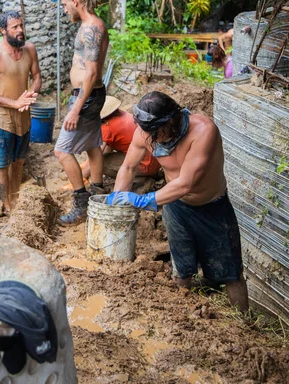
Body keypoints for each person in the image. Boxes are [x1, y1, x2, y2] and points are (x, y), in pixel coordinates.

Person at [107, 91, 249, 312]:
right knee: (181, 271)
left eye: (156, 132)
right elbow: (128, 167)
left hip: (212, 207)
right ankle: (182, 320)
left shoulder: (203, 131)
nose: (150, 137)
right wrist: (118, 198)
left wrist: (143, 200)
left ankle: (245, 325)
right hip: (176, 207)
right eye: (147, 132)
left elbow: (186, 183)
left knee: (230, 273)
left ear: (171, 120)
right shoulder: (146, 132)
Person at [54, 0, 108, 225]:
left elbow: (92, 73)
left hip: (85, 98)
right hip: (90, 95)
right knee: (92, 145)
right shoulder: (90, 24)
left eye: (65, 5)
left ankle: (82, 202)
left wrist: (75, 109)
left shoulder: (91, 28)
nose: (65, 9)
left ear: (75, 2)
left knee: (61, 150)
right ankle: (98, 195)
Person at [0, 11, 41, 213]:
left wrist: (31, 94)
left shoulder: (30, 49)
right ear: (3, 31)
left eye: (21, 25)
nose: (20, 30)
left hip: (24, 118)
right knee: (2, 164)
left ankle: (15, 199)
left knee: (19, 161)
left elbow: (37, 75)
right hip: (2, 120)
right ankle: (6, 205)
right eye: (14, 27)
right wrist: (15, 104)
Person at [80, 95, 160, 182]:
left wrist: (81, 178)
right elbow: (107, 148)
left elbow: (95, 158)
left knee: (101, 162)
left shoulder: (107, 127)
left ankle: (139, 180)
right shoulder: (121, 114)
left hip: (145, 164)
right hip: (155, 159)